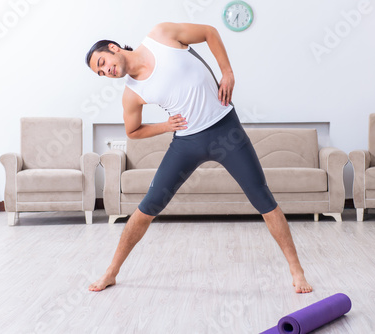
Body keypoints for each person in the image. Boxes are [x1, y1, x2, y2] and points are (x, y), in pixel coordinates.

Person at [85, 22, 312, 293]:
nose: (105, 71)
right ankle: (111, 272)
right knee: (148, 207)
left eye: (102, 62)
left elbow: (209, 33)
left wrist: (227, 73)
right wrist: (165, 126)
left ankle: (297, 271)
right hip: (187, 143)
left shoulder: (161, 36)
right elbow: (132, 132)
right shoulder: (132, 94)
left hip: (226, 131)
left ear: (113, 48)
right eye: (100, 72)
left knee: (262, 198)